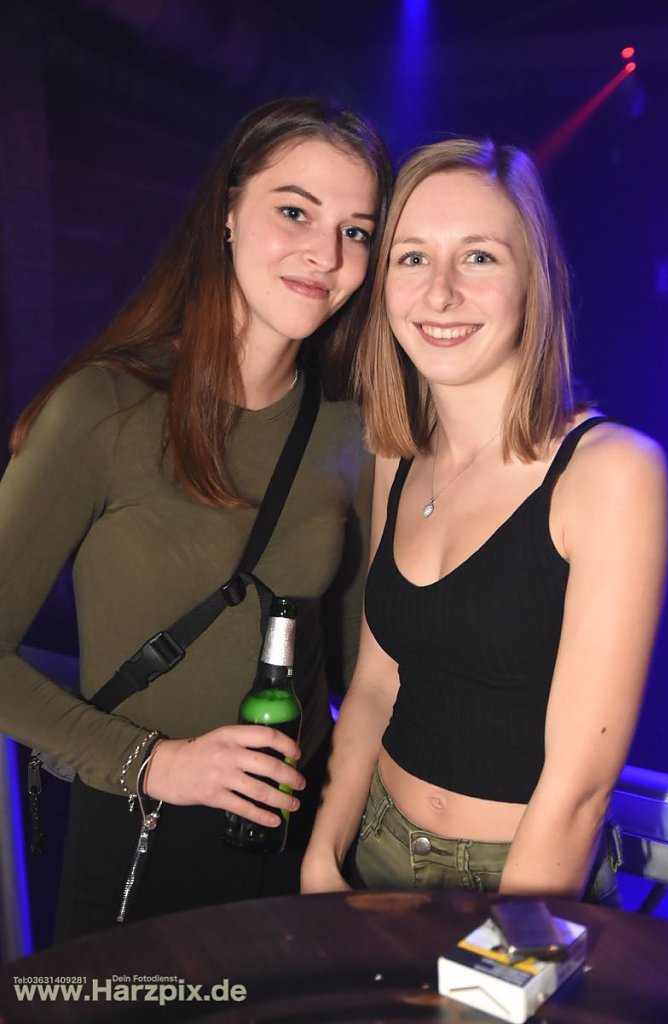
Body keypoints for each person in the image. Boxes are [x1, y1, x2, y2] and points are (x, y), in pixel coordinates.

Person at [0, 96, 392, 939]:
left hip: (298, 841)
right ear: (227, 213)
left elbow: (364, 662)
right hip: (144, 833)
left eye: (356, 231)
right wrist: (156, 763)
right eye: (295, 212)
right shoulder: (107, 407)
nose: (326, 254)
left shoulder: (349, 429)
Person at [301, 138, 668, 903]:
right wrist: (323, 854)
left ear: (533, 279)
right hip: (374, 844)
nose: (439, 294)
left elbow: (578, 788)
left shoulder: (611, 472)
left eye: (478, 257)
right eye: (411, 258)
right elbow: (374, 684)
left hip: (521, 883)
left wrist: (502, 957)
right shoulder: (397, 451)